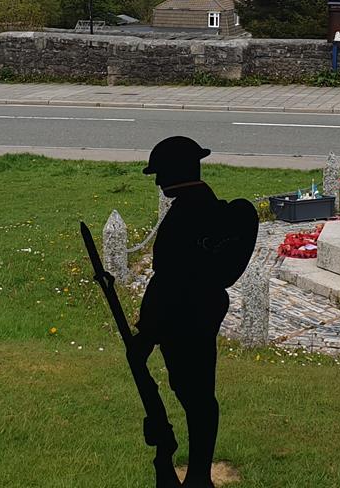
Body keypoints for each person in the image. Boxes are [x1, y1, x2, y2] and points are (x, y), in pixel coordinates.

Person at [130, 136, 257, 488]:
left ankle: (198, 474)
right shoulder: (207, 207)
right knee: (198, 394)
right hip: (200, 314)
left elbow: (168, 282)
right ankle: (198, 470)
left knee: (195, 395)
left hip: (181, 318)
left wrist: (147, 335)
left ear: (177, 171)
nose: (157, 182)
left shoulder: (186, 214)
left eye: (160, 174)